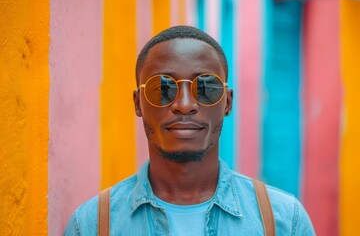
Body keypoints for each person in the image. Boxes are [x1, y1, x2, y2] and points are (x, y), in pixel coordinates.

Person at [64, 26, 315, 235]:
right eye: (163, 88)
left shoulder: (284, 222)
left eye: (205, 87)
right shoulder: (91, 226)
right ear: (138, 103)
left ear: (227, 102)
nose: (184, 105)